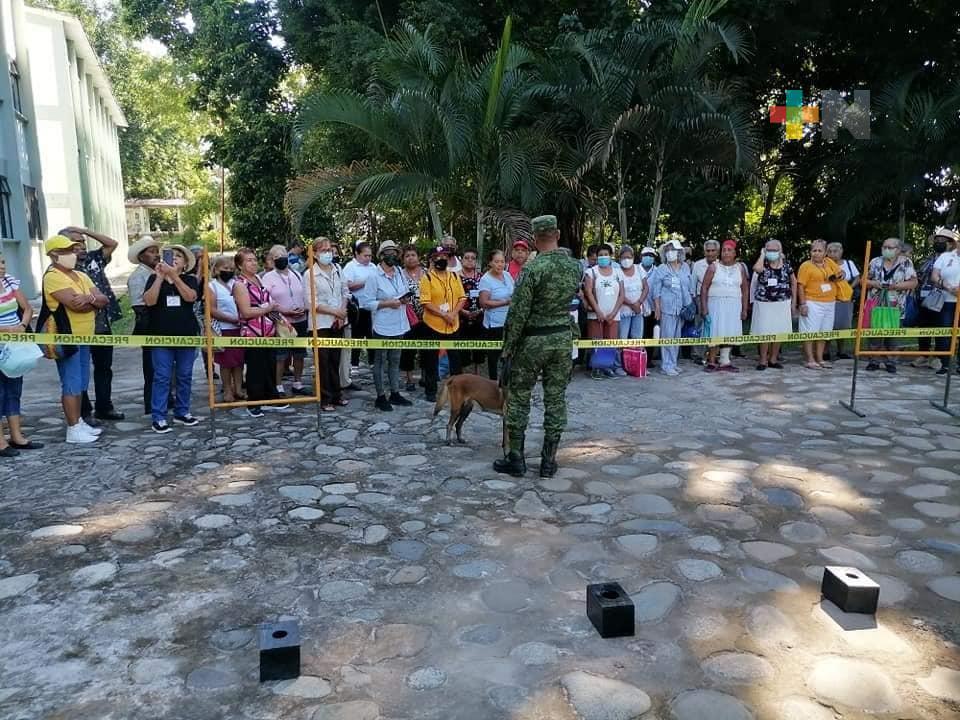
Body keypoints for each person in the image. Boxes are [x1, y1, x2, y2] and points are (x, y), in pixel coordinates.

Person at [495, 215, 582, 478]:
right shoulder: (575, 267)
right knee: (555, 399)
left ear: (534, 239)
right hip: (561, 339)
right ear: (556, 233)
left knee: (519, 399)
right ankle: (548, 462)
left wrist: (507, 348)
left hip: (532, 342)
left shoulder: (532, 270)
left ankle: (517, 459)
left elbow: (518, 313)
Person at [41, 235, 108, 443]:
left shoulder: (80, 275)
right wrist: (91, 300)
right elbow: (74, 305)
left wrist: (89, 298)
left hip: (85, 337)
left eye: (73, 249)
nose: (72, 254)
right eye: (66, 251)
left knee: (80, 383)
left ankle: (78, 422)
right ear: (54, 255)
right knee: (70, 383)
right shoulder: (53, 276)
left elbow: (103, 299)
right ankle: (72, 428)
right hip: (67, 336)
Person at [62, 227, 125, 423]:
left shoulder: (93, 259)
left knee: (104, 367)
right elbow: (75, 300)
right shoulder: (64, 269)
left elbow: (111, 244)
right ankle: (83, 410)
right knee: (79, 371)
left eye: (82, 242)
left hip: (101, 325)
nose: (80, 246)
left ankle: (104, 407)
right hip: (77, 327)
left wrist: (84, 231)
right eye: (75, 242)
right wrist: (94, 299)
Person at [144, 245, 201, 433]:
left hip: (186, 336)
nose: (174, 259)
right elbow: (149, 300)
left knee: (184, 375)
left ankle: (182, 411)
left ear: (185, 263)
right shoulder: (153, 279)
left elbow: (190, 297)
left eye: (179, 256)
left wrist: (174, 277)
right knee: (162, 377)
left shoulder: (190, 280)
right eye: (171, 256)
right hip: (161, 337)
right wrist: (161, 276)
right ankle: (158, 416)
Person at [233, 248, 288, 417]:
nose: (253, 263)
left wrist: (275, 313)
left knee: (269, 364)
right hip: (252, 332)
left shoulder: (259, 279)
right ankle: (254, 401)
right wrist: (268, 308)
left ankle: (270, 396)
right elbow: (246, 312)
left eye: (254, 259)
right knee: (255, 367)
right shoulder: (240, 285)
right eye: (248, 260)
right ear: (240, 265)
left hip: (268, 330)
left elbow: (265, 302)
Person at [362, 240, 414, 411]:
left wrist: (405, 299)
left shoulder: (399, 272)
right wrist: (386, 303)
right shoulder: (373, 276)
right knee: (380, 360)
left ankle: (395, 392)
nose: (393, 255)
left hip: (399, 323)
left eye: (395, 252)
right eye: (389, 252)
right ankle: (380, 395)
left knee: (395, 359)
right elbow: (366, 302)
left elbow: (404, 290)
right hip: (382, 324)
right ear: (382, 255)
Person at [0, 252, 40, 455]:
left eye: (3, 261)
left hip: (14, 346)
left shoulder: (9, 283)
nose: (2, 266)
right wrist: (5, 330)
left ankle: (16, 436)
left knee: (14, 389)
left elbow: (27, 308)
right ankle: (0, 442)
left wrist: (23, 325)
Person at [304, 237, 350, 410]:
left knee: (335, 359)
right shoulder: (309, 274)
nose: (327, 253)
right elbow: (310, 302)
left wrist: (341, 312)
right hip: (321, 323)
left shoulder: (338, 269)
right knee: (322, 361)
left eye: (329, 249)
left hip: (338, 321)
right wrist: (333, 312)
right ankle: (325, 398)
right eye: (323, 250)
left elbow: (345, 291)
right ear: (315, 254)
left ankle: (336, 394)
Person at [862, 238, 918, 373]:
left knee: (892, 335)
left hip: (896, 305)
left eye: (890, 247)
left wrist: (896, 286)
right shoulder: (875, 261)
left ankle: (891, 362)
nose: (886, 249)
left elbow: (913, 282)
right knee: (875, 334)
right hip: (876, 303)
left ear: (898, 250)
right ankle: (873, 361)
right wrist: (874, 283)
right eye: (884, 246)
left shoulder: (906, 263)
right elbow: (864, 280)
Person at [419, 246, 466, 402]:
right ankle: (430, 391)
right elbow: (426, 302)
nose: (442, 260)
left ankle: (458, 390)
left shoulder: (454, 276)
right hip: (433, 324)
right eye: (438, 257)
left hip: (453, 324)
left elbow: (462, 298)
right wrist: (444, 315)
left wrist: (452, 314)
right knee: (431, 359)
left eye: (445, 257)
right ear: (432, 259)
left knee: (456, 359)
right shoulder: (427, 278)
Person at [262, 244, 309, 397]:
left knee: (300, 353)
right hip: (282, 321)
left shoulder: (296, 274)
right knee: (281, 355)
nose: (281, 258)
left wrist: (304, 308)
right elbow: (265, 300)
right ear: (272, 260)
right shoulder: (268, 278)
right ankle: (278, 385)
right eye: (276, 256)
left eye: (283, 255)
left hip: (300, 318)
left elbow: (305, 294)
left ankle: (298, 383)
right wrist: (284, 311)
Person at [701, 239, 749, 372]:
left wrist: (744, 308)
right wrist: (704, 308)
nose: (726, 253)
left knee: (729, 331)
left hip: (734, 305)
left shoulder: (740, 268)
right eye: (724, 250)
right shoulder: (713, 267)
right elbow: (704, 287)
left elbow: (745, 289)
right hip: (716, 304)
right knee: (715, 331)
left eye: (729, 250)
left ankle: (725, 361)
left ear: (735, 253)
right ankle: (711, 361)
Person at [126, 236, 162, 415]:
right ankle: (151, 403)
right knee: (151, 367)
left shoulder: (159, 272)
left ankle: (164, 399)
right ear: (141, 256)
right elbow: (139, 305)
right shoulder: (138, 276)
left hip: (161, 324)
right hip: (149, 325)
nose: (156, 255)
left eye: (157, 251)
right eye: (151, 252)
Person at [649, 238, 695, 376]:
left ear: (679, 252)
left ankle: (673, 363)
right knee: (667, 336)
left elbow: (688, 287)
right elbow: (656, 291)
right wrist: (657, 308)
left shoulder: (685, 267)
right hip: (667, 308)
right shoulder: (662, 269)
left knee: (676, 336)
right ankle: (666, 365)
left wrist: (690, 305)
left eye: (672, 250)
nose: (670, 253)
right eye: (667, 250)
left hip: (682, 308)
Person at [915, 227, 957, 370]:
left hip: (945, 298)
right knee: (925, 326)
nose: (939, 242)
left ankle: (940, 358)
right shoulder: (928, 259)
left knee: (942, 327)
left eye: (943, 241)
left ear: (950, 244)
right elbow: (920, 275)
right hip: (926, 296)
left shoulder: (952, 259)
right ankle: (924, 355)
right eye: (937, 240)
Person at [750, 239, 797, 370]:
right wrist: (762, 255)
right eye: (768, 249)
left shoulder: (787, 265)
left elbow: (794, 282)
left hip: (782, 303)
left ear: (780, 250)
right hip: (764, 303)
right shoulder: (762, 263)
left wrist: (794, 302)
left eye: (774, 250)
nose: (771, 252)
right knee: (764, 331)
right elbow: (757, 269)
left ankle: (773, 359)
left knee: (779, 331)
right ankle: (763, 360)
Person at [797, 239, 841, 369]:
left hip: (829, 302)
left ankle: (820, 358)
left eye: (819, 250)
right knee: (810, 332)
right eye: (814, 250)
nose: (816, 253)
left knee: (824, 332)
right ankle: (810, 359)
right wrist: (803, 304)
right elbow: (800, 286)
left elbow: (840, 274)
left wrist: (840, 276)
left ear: (825, 252)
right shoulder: (806, 265)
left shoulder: (830, 263)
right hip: (812, 302)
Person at [583, 243, 625, 378]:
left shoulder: (618, 272)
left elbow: (622, 295)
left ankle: (608, 367)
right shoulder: (591, 272)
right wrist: (598, 311)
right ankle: (596, 369)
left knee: (611, 341)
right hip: (596, 314)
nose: (603, 257)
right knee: (597, 341)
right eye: (600, 255)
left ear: (611, 256)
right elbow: (588, 292)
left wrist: (613, 313)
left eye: (606, 255)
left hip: (613, 314)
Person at [206, 255, 244, 402]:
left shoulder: (237, 284)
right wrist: (231, 319)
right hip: (223, 329)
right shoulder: (212, 286)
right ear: (216, 270)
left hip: (240, 328)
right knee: (226, 362)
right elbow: (212, 309)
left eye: (230, 268)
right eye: (225, 268)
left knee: (239, 361)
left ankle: (239, 389)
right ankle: (227, 389)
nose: (228, 271)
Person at [479, 249, 515, 380]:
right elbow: (483, 303)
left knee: (508, 353)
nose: (500, 264)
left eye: (502, 262)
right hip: (494, 324)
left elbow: (514, 292)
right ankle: (493, 383)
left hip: (509, 321)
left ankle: (506, 380)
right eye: (496, 262)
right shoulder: (486, 280)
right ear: (490, 263)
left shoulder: (507, 275)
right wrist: (505, 302)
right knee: (493, 356)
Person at [343, 242, 377, 371]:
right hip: (357, 307)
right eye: (365, 256)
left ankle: (373, 361)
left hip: (371, 306)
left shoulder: (373, 267)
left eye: (370, 256)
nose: (368, 258)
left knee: (371, 334)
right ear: (357, 254)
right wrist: (365, 283)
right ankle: (354, 363)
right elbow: (347, 285)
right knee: (356, 335)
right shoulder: (350, 267)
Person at [930, 233, 960, 375]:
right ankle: (945, 363)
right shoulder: (945, 257)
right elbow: (934, 276)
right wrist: (946, 285)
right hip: (947, 300)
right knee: (944, 332)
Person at [399, 244, 426, 392]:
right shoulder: (399, 274)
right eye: (407, 255)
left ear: (418, 257)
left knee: (425, 348)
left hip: (427, 317)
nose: (410, 258)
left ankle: (424, 376)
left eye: (413, 255)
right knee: (408, 349)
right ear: (403, 259)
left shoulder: (427, 273)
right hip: (407, 317)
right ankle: (409, 378)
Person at [826, 242, 859, 360]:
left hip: (845, 299)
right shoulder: (825, 264)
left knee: (843, 325)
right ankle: (825, 351)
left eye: (835, 251)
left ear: (841, 251)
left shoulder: (849, 264)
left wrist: (850, 288)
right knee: (828, 325)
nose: (833, 254)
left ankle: (841, 351)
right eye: (830, 251)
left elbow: (857, 277)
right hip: (829, 298)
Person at [457, 249, 485, 372]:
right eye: (466, 257)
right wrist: (462, 311)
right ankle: (463, 376)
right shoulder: (454, 277)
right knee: (462, 348)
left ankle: (477, 375)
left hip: (479, 316)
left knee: (478, 348)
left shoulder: (482, 277)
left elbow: (487, 295)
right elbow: (451, 298)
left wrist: (481, 310)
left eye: (472, 258)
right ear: (461, 260)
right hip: (460, 317)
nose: (469, 260)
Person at [618, 245, 648, 345]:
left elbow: (646, 287)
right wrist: (631, 305)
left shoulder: (639, 269)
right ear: (619, 259)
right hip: (623, 311)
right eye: (624, 257)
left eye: (629, 257)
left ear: (633, 258)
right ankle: (620, 361)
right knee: (622, 339)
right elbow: (618, 292)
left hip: (638, 310)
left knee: (637, 339)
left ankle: (635, 360)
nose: (626, 260)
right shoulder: (617, 271)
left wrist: (638, 303)